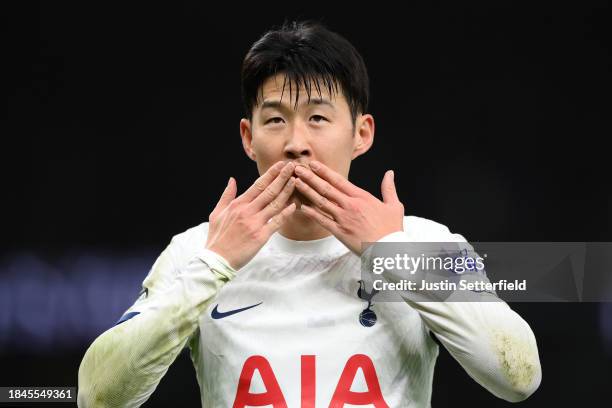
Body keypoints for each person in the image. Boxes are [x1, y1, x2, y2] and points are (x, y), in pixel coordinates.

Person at [78, 20, 541, 407]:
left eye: (318, 118)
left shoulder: (423, 241)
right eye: (275, 119)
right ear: (248, 137)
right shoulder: (197, 252)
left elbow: (519, 375)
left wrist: (392, 252)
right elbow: (96, 396)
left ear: (362, 133)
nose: (296, 142)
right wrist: (214, 266)